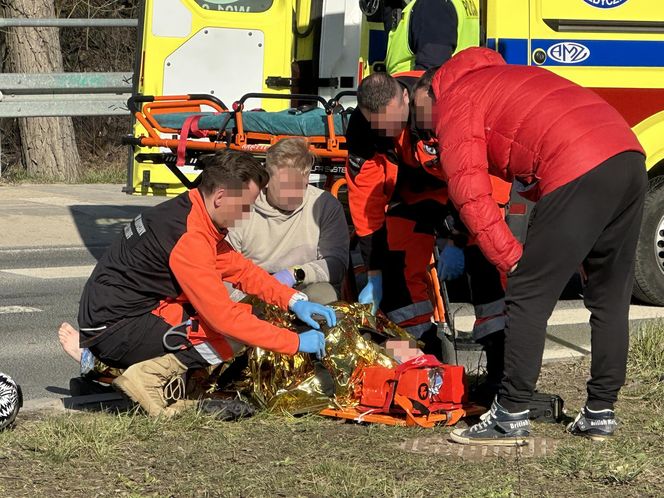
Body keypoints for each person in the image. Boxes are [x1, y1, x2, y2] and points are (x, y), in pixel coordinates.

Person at [413, 47, 647, 444]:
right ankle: (600, 413)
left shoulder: (455, 99)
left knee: (526, 294)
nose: (423, 126)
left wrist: (510, 259)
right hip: (627, 154)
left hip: (577, 162)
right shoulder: (500, 77)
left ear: (431, 90)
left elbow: (470, 193)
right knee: (609, 297)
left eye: (420, 113)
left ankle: (510, 414)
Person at [69, 150, 337, 417]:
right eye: (244, 206)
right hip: (118, 330)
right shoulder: (191, 238)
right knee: (230, 331)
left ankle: (161, 382)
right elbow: (225, 319)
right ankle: (147, 378)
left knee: (226, 318)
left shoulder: (190, 212)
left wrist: (294, 300)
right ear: (220, 197)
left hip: (117, 319)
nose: (245, 215)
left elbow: (240, 269)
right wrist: (294, 342)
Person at [346, 71, 507, 392]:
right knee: (394, 260)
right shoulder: (364, 132)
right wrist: (375, 272)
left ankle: (502, 367)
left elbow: (483, 174)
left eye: (393, 124)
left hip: (471, 189)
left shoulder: (437, 103)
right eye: (381, 127)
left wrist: (459, 240)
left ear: (406, 99)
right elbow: (366, 205)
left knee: (485, 267)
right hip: (413, 195)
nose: (390, 133)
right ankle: (422, 358)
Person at [226, 137, 349, 305]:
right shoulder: (244, 204)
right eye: (285, 186)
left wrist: (294, 274)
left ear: (307, 177)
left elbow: (335, 265)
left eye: (299, 186)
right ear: (266, 179)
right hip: (253, 288)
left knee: (324, 293)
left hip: (303, 286)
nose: (292, 193)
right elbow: (225, 265)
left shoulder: (325, 205)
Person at [381, 0, 480, 75]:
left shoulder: (432, 5)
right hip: (459, 91)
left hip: (414, 97)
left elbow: (430, 76)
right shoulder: (460, 3)